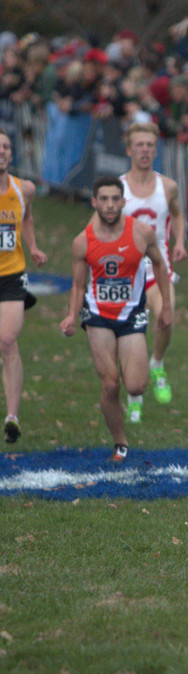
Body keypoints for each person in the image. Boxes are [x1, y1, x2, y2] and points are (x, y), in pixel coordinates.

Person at [59, 177, 172, 463]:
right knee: (110, 385)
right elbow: (77, 284)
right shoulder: (82, 242)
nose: (109, 205)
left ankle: (126, 399)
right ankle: (120, 443)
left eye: (114, 199)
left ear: (123, 202)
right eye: (104, 199)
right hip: (97, 316)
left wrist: (166, 306)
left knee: (135, 386)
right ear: (94, 202)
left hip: (132, 314)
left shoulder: (141, 233)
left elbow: (159, 264)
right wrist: (72, 315)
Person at [119, 122, 186, 421]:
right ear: (129, 149)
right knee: (129, 337)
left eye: (150, 145)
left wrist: (180, 241)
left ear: (155, 150)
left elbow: (177, 213)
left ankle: (157, 362)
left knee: (166, 320)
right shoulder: (117, 189)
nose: (145, 150)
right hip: (125, 272)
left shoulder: (167, 186)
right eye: (140, 145)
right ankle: (134, 395)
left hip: (158, 268)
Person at [0, 131, 46, 443]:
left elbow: (26, 218)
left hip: (11, 276)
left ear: (11, 154)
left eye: (5, 147)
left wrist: (32, 246)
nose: (1, 151)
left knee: (6, 339)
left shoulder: (23, 188)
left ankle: (12, 416)